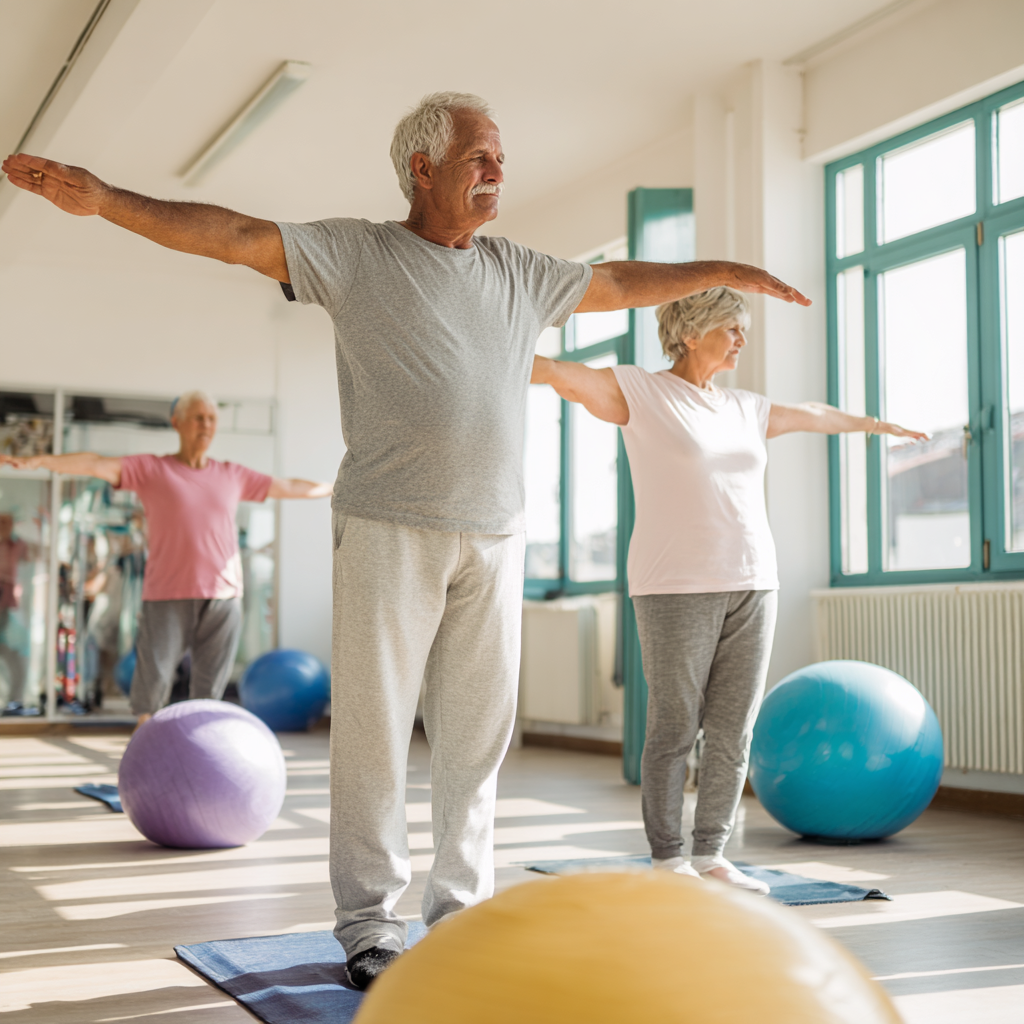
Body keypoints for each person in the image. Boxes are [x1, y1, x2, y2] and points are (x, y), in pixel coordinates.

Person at [3, 92, 810, 988]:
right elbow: (229, 234)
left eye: (501, 156)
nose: (499, 171)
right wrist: (105, 198)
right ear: (423, 168)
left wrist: (724, 269)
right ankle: (368, 924)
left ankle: (461, 912)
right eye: (480, 157)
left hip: (496, 536)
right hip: (389, 525)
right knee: (378, 735)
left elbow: (618, 283)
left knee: (474, 741)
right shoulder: (357, 252)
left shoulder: (520, 270)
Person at [532, 286, 926, 893]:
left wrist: (870, 425)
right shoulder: (641, 390)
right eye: (732, 327)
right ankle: (668, 856)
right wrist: (475, 353)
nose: (743, 338)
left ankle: (713, 851)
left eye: (744, 328)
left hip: (753, 581)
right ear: (691, 332)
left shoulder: (745, 406)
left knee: (733, 726)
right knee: (673, 725)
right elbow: (560, 373)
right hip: (674, 585)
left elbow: (810, 413)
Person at [0, 391, 331, 724]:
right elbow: (95, 463)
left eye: (212, 418)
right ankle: (146, 751)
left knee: (209, 689)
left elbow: (289, 486)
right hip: (167, 592)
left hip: (224, 594)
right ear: (177, 423)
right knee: (152, 683)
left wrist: (335, 486)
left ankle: (200, 751)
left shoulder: (233, 474)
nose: (206, 424)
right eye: (198, 417)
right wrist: (41, 461)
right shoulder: (151, 469)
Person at [0, 513, 35, 715]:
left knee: (16, 653)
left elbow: (31, 565)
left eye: (7, 522)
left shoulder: (19, 545)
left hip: (12, 605)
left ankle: (16, 698)